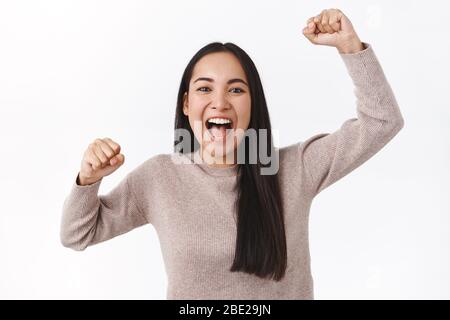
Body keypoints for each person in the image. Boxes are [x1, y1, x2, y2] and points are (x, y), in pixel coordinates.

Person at [60, 8, 404, 299]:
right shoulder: (159, 177)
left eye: (236, 89)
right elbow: (78, 235)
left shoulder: (295, 168)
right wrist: (87, 181)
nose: (220, 102)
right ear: (187, 103)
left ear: (253, 104)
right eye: (205, 88)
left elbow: (382, 122)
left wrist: (350, 47)